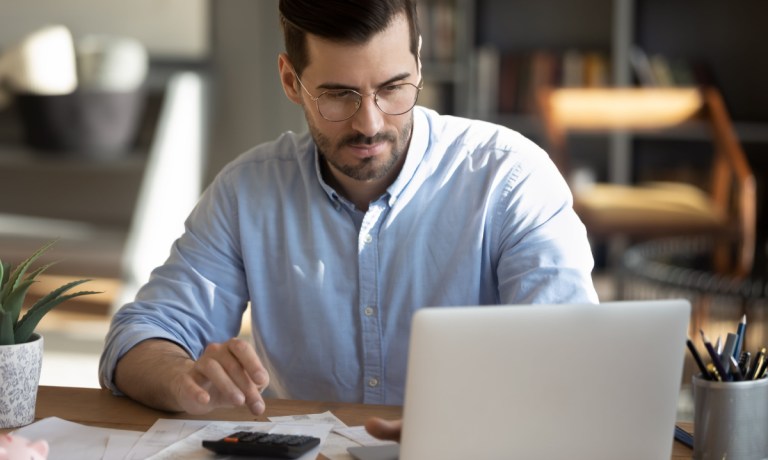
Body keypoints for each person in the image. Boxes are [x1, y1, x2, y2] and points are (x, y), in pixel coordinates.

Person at [99, 0, 598, 433]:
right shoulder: (246, 192)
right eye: (339, 94)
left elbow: (572, 360)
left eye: (393, 87)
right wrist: (181, 379)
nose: (370, 123)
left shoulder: (510, 178)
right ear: (291, 81)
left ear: (419, 64)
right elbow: (137, 337)